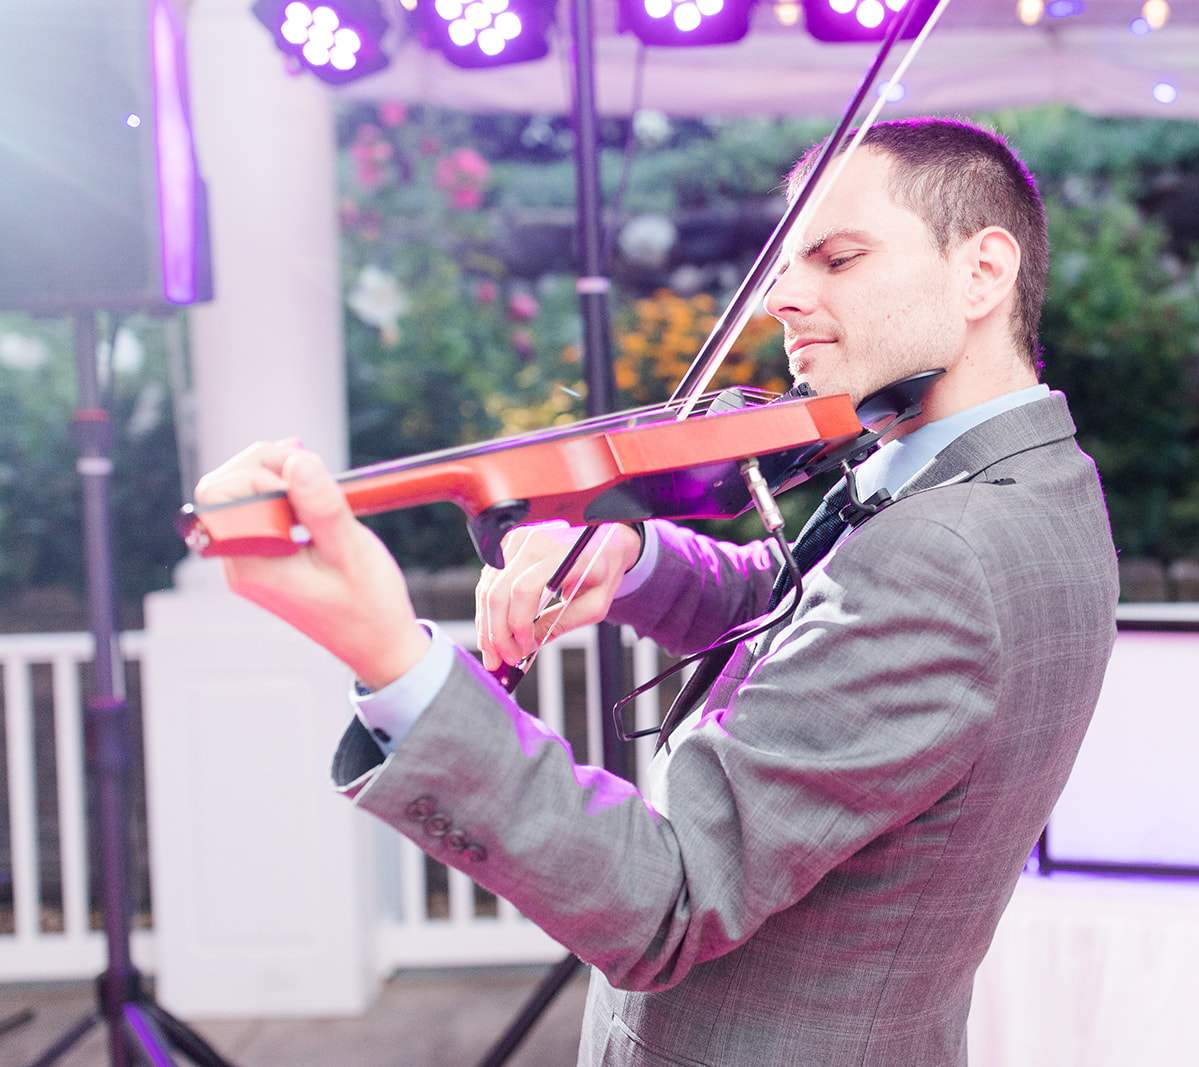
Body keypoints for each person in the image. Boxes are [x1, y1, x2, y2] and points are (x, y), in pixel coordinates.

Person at [195, 118, 1118, 1066]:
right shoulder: (1031, 481)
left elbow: (667, 901)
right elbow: (816, 604)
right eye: (784, 266)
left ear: (982, 271)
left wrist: (395, 659)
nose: (781, 299)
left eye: (837, 257)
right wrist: (633, 557)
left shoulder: (946, 550)